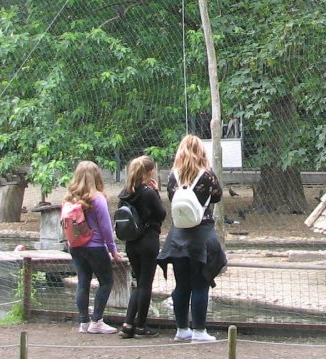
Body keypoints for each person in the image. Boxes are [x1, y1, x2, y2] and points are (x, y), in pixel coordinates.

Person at [157, 134, 227, 343]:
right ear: (201, 151)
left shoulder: (173, 176)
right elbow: (217, 195)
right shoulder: (207, 175)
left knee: (181, 285)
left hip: (178, 236)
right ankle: (199, 331)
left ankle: (181, 329)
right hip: (201, 234)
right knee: (200, 284)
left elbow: (172, 198)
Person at [63, 160, 123, 334]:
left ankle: (84, 322)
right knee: (106, 281)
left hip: (75, 246)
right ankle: (96, 321)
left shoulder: (69, 198)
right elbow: (106, 227)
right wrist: (113, 250)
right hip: (95, 247)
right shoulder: (97, 198)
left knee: (83, 282)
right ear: (96, 176)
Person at [117, 155, 165, 339]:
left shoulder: (125, 192)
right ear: (148, 172)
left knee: (138, 283)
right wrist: (157, 192)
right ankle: (141, 327)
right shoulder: (148, 192)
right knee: (146, 284)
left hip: (131, 243)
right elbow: (161, 214)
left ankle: (128, 324)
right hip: (148, 241)